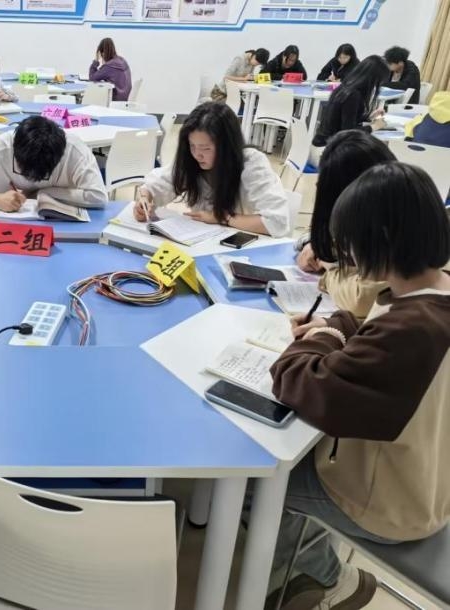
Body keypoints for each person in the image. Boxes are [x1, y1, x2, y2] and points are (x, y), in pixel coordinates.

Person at [264, 161, 450, 609]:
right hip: (429, 481)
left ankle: (327, 580)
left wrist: (323, 336)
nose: (346, 254)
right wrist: (336, 325)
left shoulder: (412, 330)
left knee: (263, 485)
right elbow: (368, 322)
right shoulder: (430, 297)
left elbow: (299, 381)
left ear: (381, 237)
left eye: (350, 242)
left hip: (387, 502)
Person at [135, 102, 290, 237]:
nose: (197, 155)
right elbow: (156, 185)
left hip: (245, 244)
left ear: (227, 147)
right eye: (192, 146)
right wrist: (144, 200)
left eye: (206, 148)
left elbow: (277, 222)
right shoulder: (192, 161)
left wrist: (222, 217)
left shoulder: (251, 164)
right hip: (203, 242)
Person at [296, 130, 394, 318]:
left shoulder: (389, 227)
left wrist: (330, 270)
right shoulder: (368, 211)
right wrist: (313, 244)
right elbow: (320, 230)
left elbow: (361, 299)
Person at [0, 115, 107, 211]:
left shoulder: (75, 151)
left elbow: (98, 196)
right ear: (15, 151)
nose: (31, 181)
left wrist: (41, 192)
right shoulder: (1, 149)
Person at [310, 56, 390, 167]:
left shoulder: (345, 88)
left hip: (322, 147)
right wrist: (374, 127)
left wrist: (369, 117)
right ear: (372, 79)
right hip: (326, 153)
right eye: (378, 82)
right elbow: (348, 132)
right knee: (377, 160)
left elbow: (343, 120)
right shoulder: (353, 95)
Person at [88, 37, 132, 102]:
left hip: (115, 101)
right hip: (126, 99)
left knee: (93, 98)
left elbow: (92, 78)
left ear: (103, 53)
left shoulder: (109, 66)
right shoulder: (122, 60)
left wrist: (96, 60)